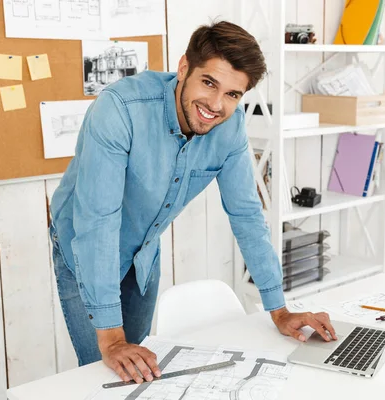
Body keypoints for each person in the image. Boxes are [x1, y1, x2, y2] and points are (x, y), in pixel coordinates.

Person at [49, 21, 336, 384]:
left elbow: (247, 215)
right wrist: (112, 339)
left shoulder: (229, 127)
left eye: (233, 94)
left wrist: (279, 311)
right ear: (184, 67)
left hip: (142, 249)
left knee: (139, 369)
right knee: (106, 371)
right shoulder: (120, 109)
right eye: (209, 83)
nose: (216, 105)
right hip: (82, 244)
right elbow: (98, 223)